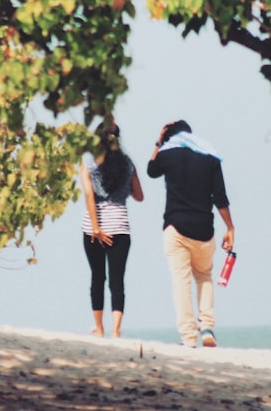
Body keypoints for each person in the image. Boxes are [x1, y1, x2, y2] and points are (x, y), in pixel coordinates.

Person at [147, 120, 235, 348]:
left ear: (170, 137)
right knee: (204, 276)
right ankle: (207, 327)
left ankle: (188, 338)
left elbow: (151, 170)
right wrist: (230, 228)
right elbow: (220, 197)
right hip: (204, 229)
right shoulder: (210, 156)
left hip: (176, 228)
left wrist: (159, 141)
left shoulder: (168, 154)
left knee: (181, 282)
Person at [80, 122, 144, 338]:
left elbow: (89, 196)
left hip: (93, 229)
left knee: (97, 277)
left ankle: (99, 328)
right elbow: (139, 196)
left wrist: (96, 227)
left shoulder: (89, 164)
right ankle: (116, 330)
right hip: (120, 226)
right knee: (117, 280)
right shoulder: (128, 164)